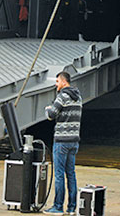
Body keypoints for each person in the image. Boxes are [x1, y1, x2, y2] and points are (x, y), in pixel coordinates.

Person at [44, 70, 81, 214]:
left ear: (64, 82)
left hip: (61, 141)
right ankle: (71, 208)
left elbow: (52, 115)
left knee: (59, 175)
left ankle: (58, 207)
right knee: (71, 174)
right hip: (74, 141)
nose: (56, 84)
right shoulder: (79, 97)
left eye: (57, 81)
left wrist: (47, 110)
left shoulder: (62, 96)